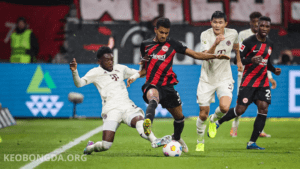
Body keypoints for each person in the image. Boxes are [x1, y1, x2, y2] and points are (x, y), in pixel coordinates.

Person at [126, 17, 231, 153]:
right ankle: (148, 123)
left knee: (180, 118)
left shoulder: (174, 44)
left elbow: (195, 54)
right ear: (155, 30)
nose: (164, 35)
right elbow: (145, 69)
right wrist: (135, 76)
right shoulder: (145, 45)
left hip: (168, 86)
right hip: (152, 84)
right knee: (153, 98)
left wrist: (215, 56)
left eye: (166, 33)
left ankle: (177, 137)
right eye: (161, 32)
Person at [70, 46, 171, 155]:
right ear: (99, 61)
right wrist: (75, 71)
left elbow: (141, 73)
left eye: (111, 59)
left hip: (127, 106)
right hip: (111, 110)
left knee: (139, 120)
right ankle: (91, 147)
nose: (110, 62)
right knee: (105, 145)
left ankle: (154, 140)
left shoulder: (120, 68)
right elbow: (79, 84)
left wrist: (144, 65)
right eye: (107, 60)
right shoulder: (95, 72)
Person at [207, 16, 282, 150]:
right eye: (262, 26)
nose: (264, 28)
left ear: (270, 28)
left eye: (267, 26)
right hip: (248, 81)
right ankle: (218, 122)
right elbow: (238, 60)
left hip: (263, 82)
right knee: (240, 110)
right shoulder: (248, 42)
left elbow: (266, 62)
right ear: (257, 27)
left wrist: (273, 69)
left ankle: (252, 142)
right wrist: (251, 60)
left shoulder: (270, 43)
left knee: (263, 108)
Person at [195, 11, 243, 152]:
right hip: (207, 79)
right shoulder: (205, 35)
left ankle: (213, 119)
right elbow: (205, 56)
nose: (217, 25)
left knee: (224, 108)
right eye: (215, 22)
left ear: (225, 24)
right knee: (202, 113)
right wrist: (216, 44)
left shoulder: (233, 33)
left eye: (220, 22)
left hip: (224, 77)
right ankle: (200, 141)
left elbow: (236, 47)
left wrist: (238, 60)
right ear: (211, 23)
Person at [230, 12, 277, 138]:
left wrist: (270, 77)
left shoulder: (264, 36)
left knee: (262, 103)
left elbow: (265, 60)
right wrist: (241, 63)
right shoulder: (244, 35)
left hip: (261, 76)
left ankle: (259, 130)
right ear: (250, 22)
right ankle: (234, 127)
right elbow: (239, 54)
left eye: (259, 22)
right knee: (239, 103)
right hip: (246, 74)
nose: (257, 24)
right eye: (254, 22)